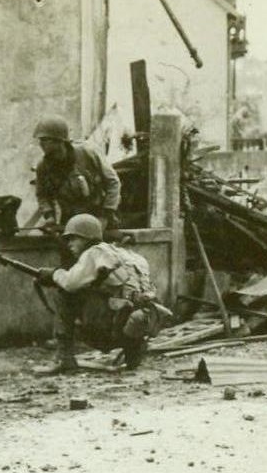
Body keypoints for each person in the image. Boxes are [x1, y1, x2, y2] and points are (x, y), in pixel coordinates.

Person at [35, 214, 168, 372]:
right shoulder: (129, 255)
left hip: (108, 331)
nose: (69, 244)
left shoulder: (94, 253)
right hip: (139, 326)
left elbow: (70, 283)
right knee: (126, 302)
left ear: (86, 237)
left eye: (73, 238)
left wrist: (54, 274)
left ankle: (64, 358)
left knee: (63, 293)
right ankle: (133, 353)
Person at [33, 115, 122, 235]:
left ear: (59, 141)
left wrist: (106, 214)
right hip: (71, 221)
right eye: (40, 140)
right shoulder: (43, 166)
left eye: (45, 140)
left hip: (99, 216)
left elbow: (113, 182)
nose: (41, 144)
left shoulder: (87, 152)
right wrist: (49, 216)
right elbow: (42, 194)